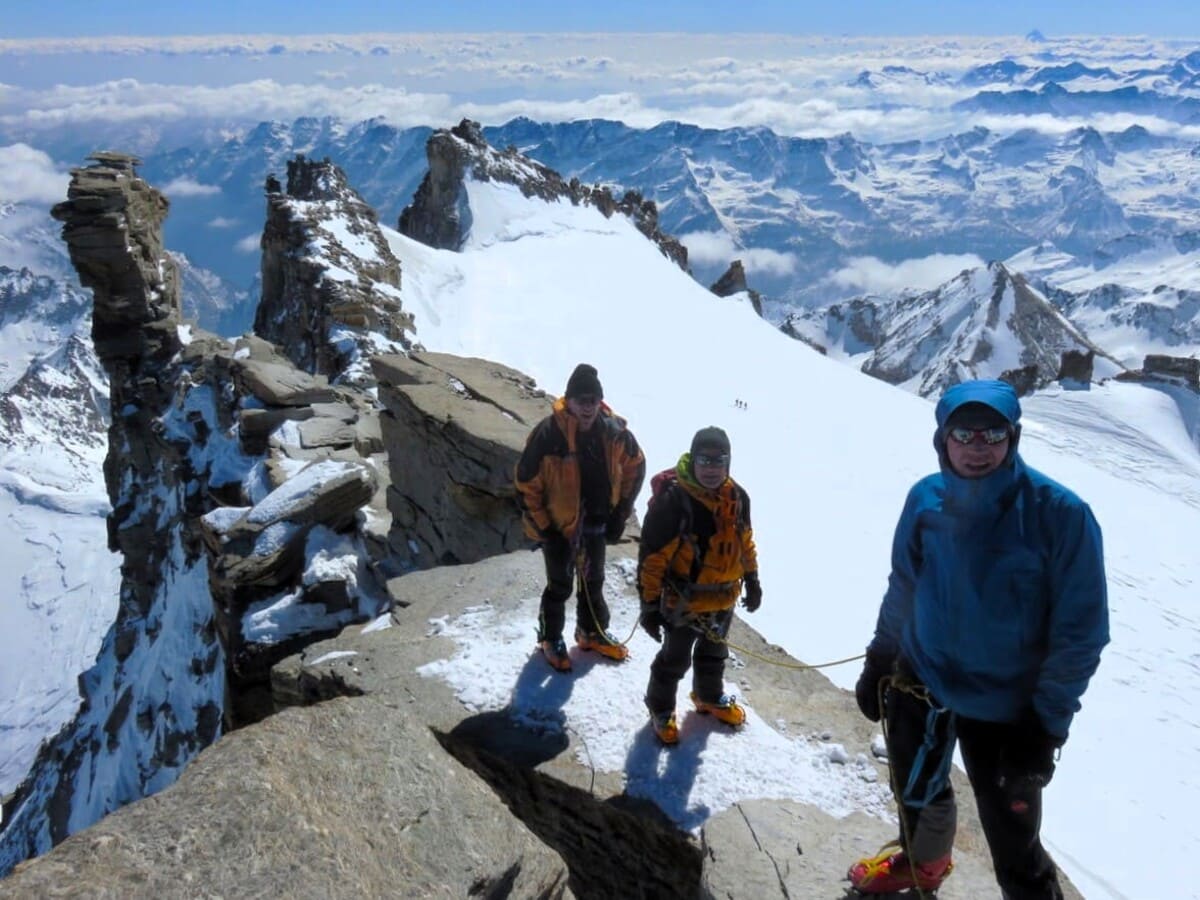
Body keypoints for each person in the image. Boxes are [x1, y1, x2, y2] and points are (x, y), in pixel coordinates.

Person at [848, 379, 1109, 898]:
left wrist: (1044, 727)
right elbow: (905, 584)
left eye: (992, 433)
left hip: (1008, 709)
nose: (978, 446)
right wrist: (881, 658)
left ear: (1013, 438)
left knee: (1013, 841)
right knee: (914, 789)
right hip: (922, 678)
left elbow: (1081, 632)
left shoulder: (1060, 515)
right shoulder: (925, 499)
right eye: (963, 432)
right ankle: (923, 863)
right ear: (943, 438)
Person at [515, 363, 646, 672]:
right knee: (559, 585)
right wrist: (546, 530)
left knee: (593, 580)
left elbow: (635, 466)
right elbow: (525, 485)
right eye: (580, 400)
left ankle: (591, 632)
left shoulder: (614, 432)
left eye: (593, 400)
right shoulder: (548, 434)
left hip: (597, 522)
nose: (587, 407)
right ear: (568, 400)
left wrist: (620, 513)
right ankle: (550, 638)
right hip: (559, 528)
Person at [637, 426, 762, 745]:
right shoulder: (675, 502)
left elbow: (744, 541)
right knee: (674, 660)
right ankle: (660, 708)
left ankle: (708, 696)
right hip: (684, 602)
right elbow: (653, 560)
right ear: (692, 460)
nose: (710, 468)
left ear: (728, 462)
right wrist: (650, 606)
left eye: (718, 460)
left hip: (723, 598)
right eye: (703, 460)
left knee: (714, 653)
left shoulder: (738, 497)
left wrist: (751, 578)